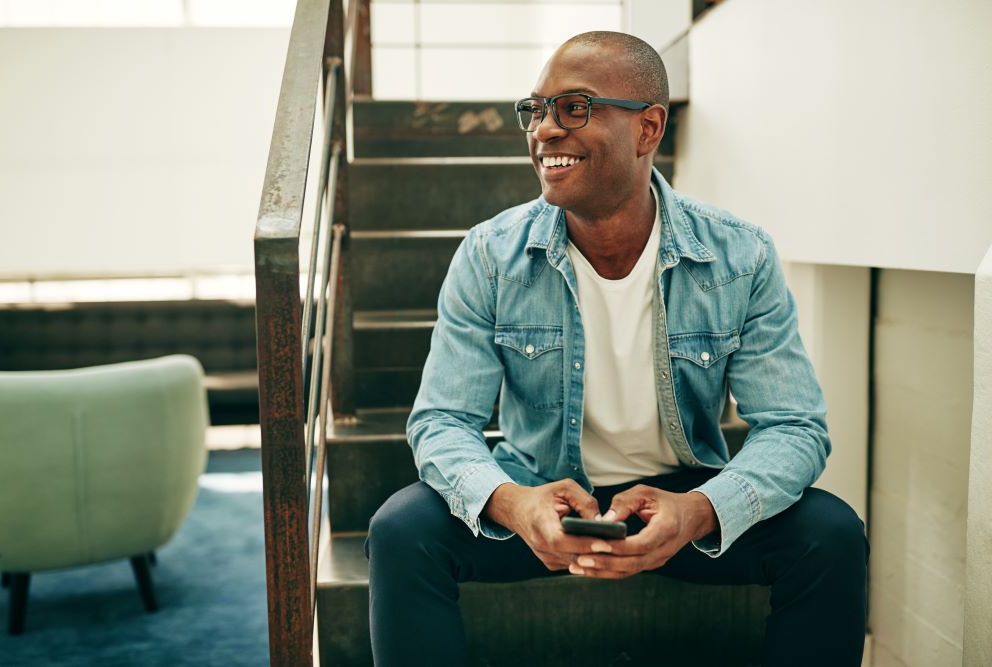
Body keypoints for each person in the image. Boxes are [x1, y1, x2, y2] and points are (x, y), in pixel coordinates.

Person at [366, 30, 868, 667]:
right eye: (536, 109)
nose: (545, 130)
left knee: (831, 534)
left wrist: (700, 510)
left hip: (683, 499)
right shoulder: (491, 255)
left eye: (574, 107)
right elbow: (440, 421)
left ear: (647, 128)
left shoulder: (740, 256)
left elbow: (795, 427)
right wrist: (513, 504)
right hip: (541, 491)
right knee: (401, 531)